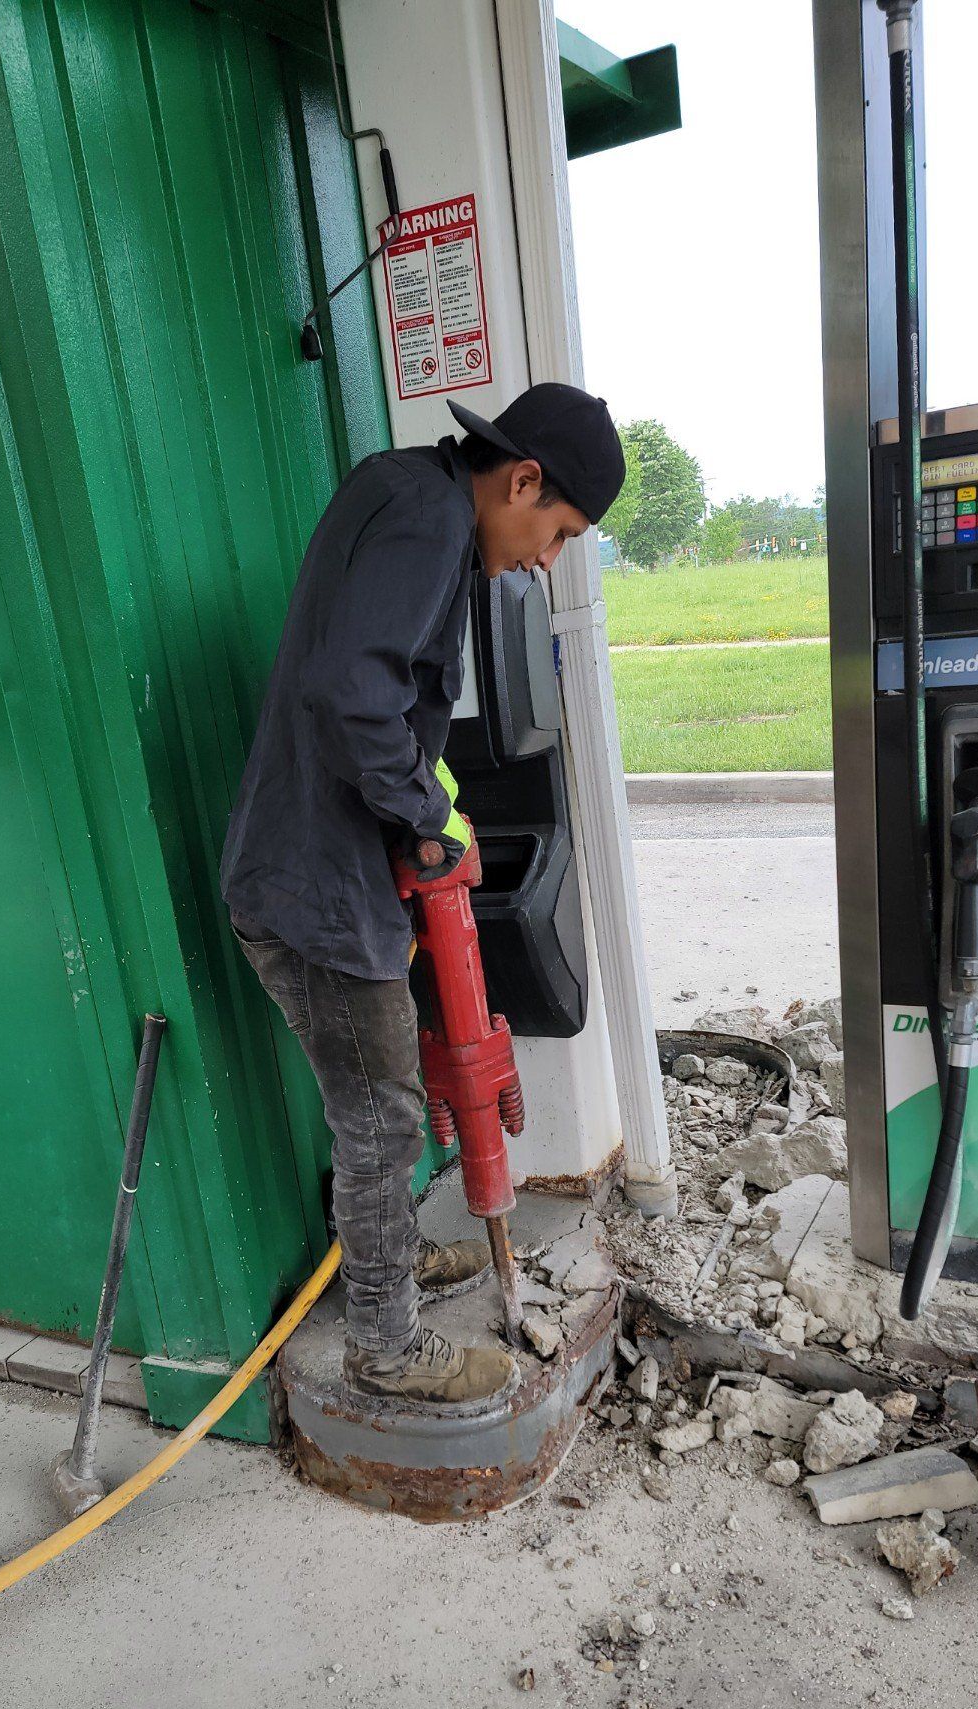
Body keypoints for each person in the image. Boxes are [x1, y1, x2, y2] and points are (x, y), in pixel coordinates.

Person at [221, 383, 625, 1411]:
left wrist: (429, 817)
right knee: (382, 1120)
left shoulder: (411, 493)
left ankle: (383, 1263)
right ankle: (389, 1346)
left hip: (315, 870)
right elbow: (355, 695)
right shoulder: (429, 515)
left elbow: (382, 699)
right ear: (522, 480)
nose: (547, 559)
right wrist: (424, 818)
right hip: (314, 891)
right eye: (559, 532)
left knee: (372, 1104)